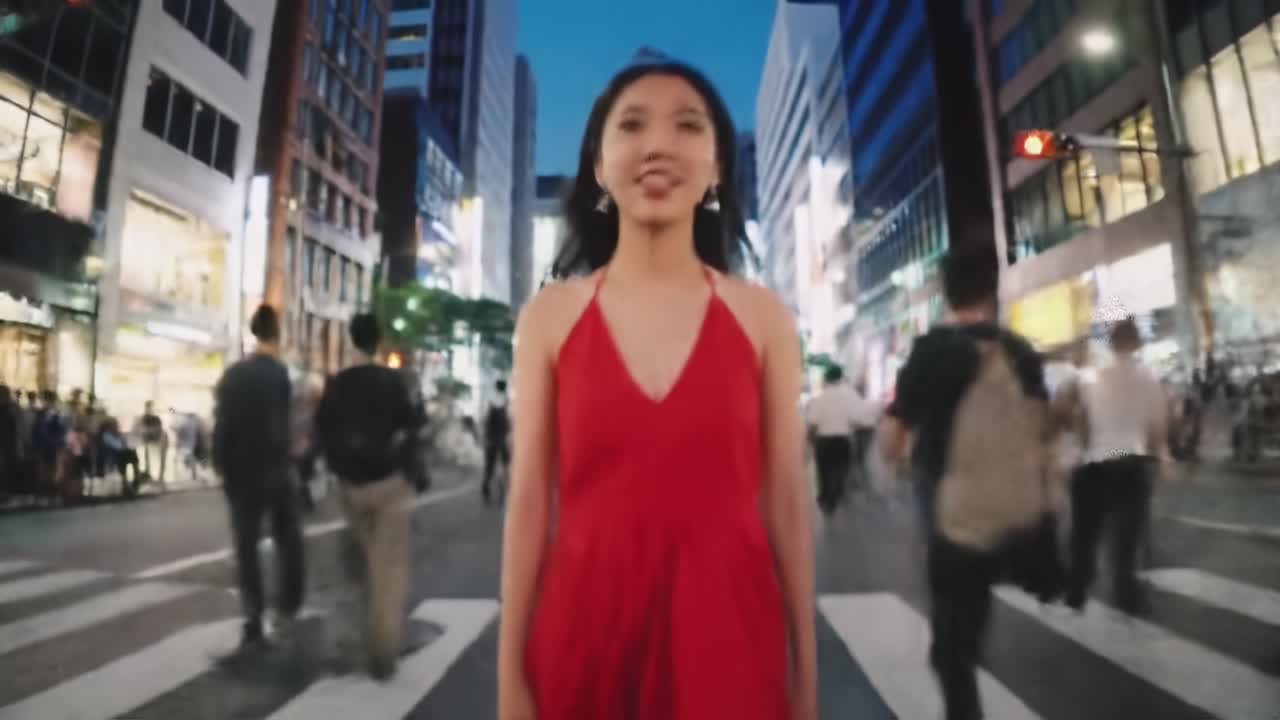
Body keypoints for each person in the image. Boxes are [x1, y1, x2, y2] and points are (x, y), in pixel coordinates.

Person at [496, 52, 817, 720]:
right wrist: (509, 680)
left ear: (719, 168)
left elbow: (787, 503)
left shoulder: (762, 317)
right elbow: (528, 506)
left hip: (731, 636)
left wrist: (807, 677)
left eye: (689, 127)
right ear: (597, 166)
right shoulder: (550, 317)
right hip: (581, 633)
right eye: (632, 125)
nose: (658, 147)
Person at [879, 248, 1060, 720]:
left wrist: (895, 465)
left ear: (945, 291)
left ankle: (962, 695)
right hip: (1018, 505)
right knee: (974, 600)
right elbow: (1044, 427)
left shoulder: (931, 350)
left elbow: (893, 435)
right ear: (991, 291)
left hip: (950, 505)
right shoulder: (1020, 350)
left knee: (953, 631)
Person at [314, 314, 420, 680]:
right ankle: (383, 651)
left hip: (350, 486)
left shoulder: (338, 384)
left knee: (359, 566)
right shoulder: (392, 382)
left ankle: (360, 637)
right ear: (379, 342)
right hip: (389, 483)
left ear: (351, 341)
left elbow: (322, 430)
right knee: (388, 570)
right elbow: (411, 426)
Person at [211, 305, 304, 651]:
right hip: (273, 468)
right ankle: (289, 604)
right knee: (288, 537)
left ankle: (253, 611)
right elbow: (282, 425)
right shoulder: (278, 375)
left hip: (240, 471)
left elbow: (221, 425)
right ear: (276, 333)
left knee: (246, 544)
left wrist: (221, 466)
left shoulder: (233, 375)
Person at [1064, 317, 1170, 615]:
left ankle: (1076, 589)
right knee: (1126, 539)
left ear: (1110, 344)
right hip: (1130, 464)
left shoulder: (1090, 376)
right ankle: (1126, 595)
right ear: (1137, 343)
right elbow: (1158, 425)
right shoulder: (1148, 376)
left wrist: (1081, 450)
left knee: (1084, 534)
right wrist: (1161, 457)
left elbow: (1079, 419)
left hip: (1093, 466)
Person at [806, 365, 871, 514]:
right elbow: (857, 419)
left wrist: (808, 439)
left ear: (826, 379)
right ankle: (833, 497)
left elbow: (813, 422)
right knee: (840, 469)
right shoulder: (849, 396)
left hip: (823, 441)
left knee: (823, 470)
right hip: (843, 440)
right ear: (840, 377)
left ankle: (824, 498)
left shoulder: (821, 397)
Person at [482, 379, 511, 505]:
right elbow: (509, 423)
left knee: (490, 467)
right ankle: (501, 491)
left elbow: (486, 423)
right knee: (503, 467)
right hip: (501, 440)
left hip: (492, 440)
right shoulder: (506, 402)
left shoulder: (491, 401)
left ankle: (487, 488)